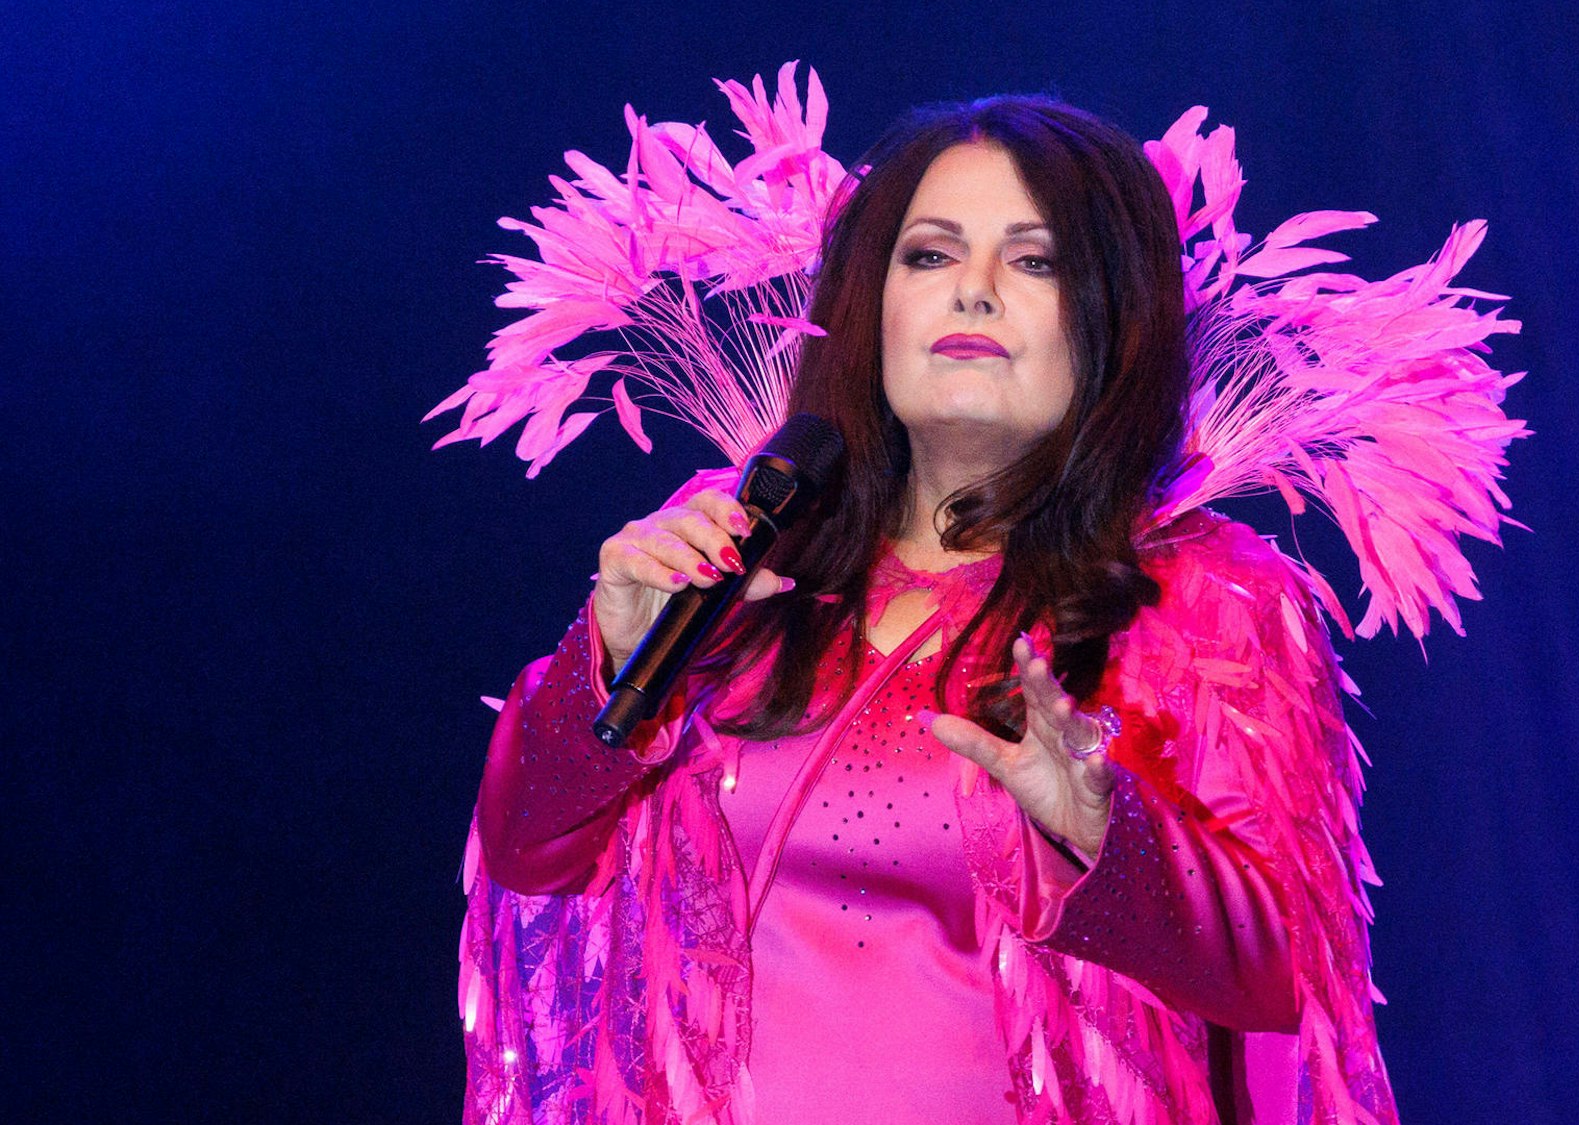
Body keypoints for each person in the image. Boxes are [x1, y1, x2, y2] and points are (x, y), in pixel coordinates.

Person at [459, 95, 1404, 1125]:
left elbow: (1282, 977)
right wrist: (607, 661)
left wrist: (1103, 833)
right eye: (929, 256)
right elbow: (529, 853)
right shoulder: (738, 546)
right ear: (871, 304)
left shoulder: (1209, 599)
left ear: (1112, 319)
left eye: (1034, 262)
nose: (974, 293)